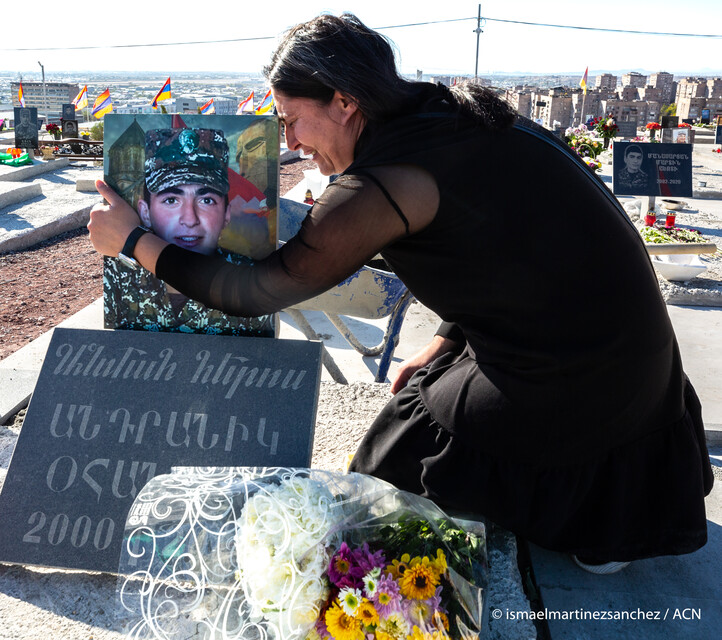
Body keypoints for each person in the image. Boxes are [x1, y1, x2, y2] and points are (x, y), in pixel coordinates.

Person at [89, 13, 712, 573]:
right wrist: (445, 340)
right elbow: (514, 252)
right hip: (633, 365)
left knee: (389, 466)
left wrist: (135, 240)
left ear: (343, 101)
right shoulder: (450, 113)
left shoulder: (382, 182)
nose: (292, 143)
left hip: (576, 382)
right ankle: (606, 509)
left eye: (291, 120)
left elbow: (256, 290)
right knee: (421, 384)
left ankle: (591, 514)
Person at [104, 127, 273, 337]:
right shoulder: (118, 278)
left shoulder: (255, 283)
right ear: (145, 213)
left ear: (226, 215)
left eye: (206, 200)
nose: (190, 219)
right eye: (171, 200)